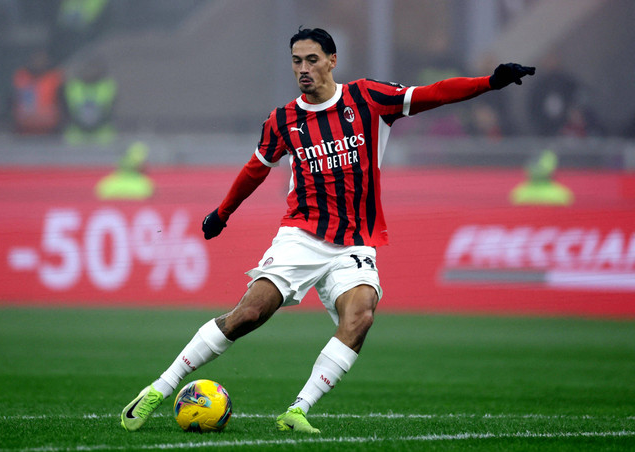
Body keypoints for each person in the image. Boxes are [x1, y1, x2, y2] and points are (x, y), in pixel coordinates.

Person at [120, 27, 535, 434]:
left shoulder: (367, 97)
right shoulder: (283, 120)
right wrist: (222, 212)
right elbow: (255, 169)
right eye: (297, 61)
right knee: (248, 314)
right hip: (301, 237)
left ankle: (297, 411)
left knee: (361, 316)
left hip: (354, 241)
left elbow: (431, 94)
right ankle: (159, 388)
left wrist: (489, 83)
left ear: (332, 61)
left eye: (312, 60)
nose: (304, 68)